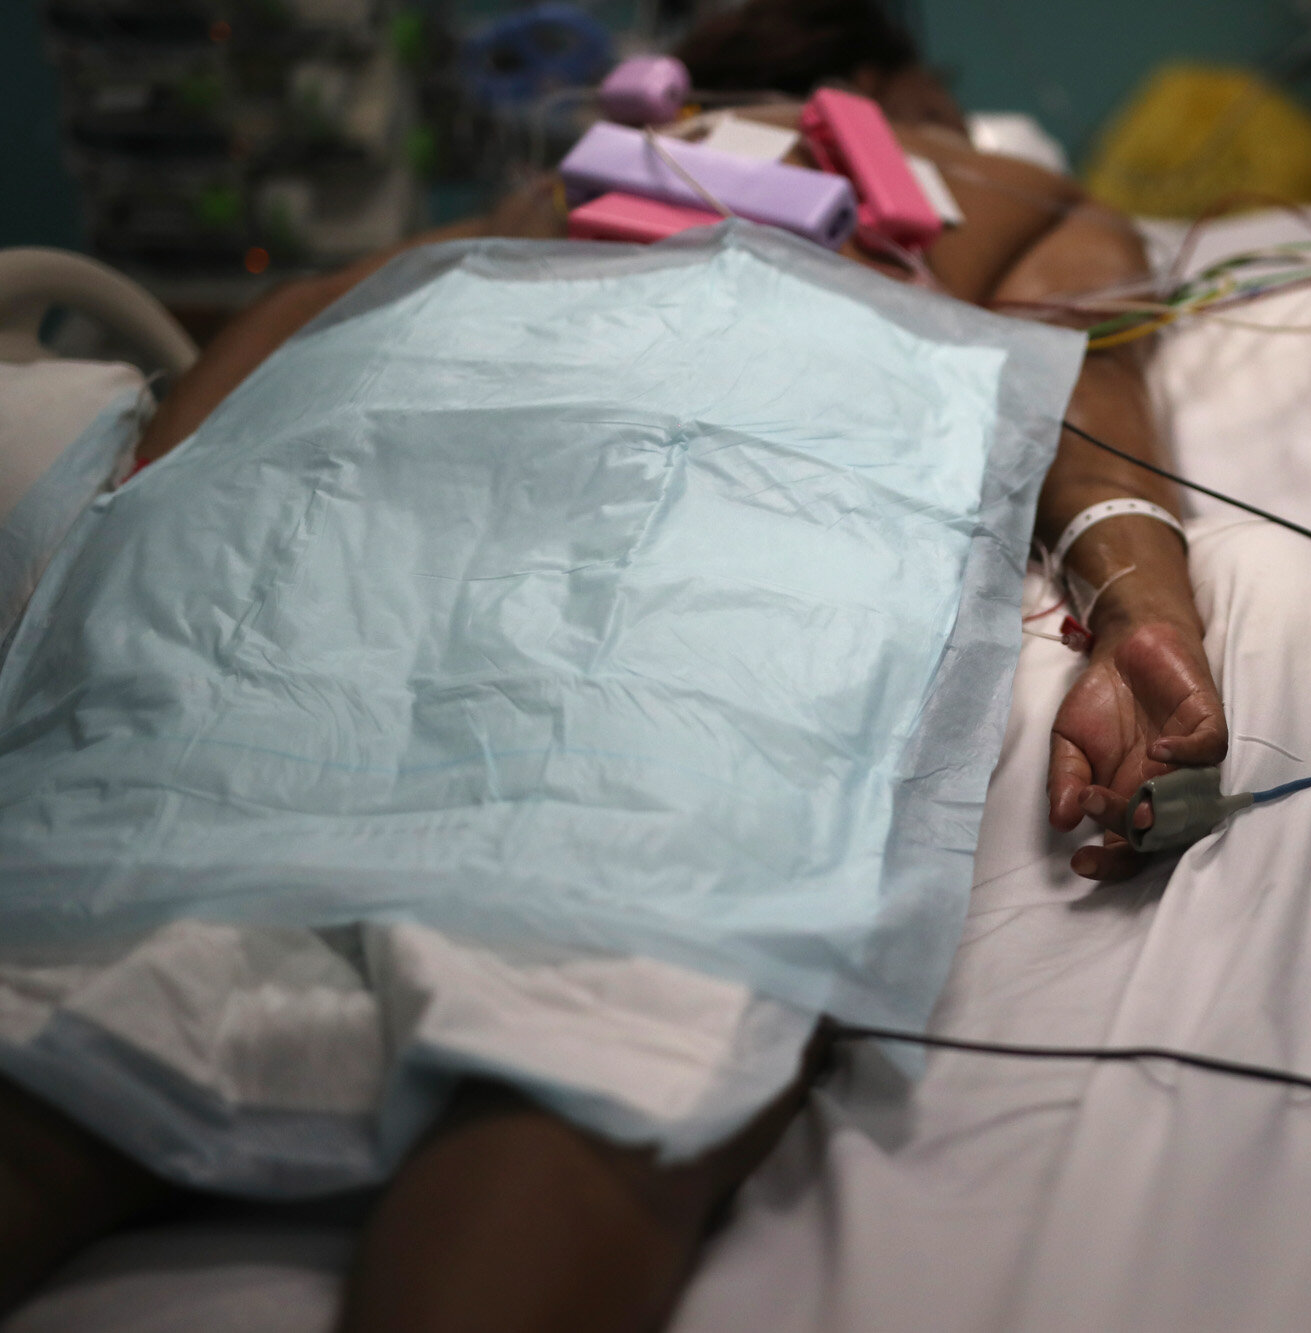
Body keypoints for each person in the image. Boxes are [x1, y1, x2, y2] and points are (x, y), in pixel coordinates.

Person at [0, 3, 1227, 1329]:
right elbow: (1095, 368)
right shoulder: (1004, 181)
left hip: (371, 475)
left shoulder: (559, 176)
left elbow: (296, 315)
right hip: (736, 502)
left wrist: (137, 534)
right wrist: (1142, 606)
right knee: (593, 1033)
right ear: (882, 83)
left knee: (93, 976)